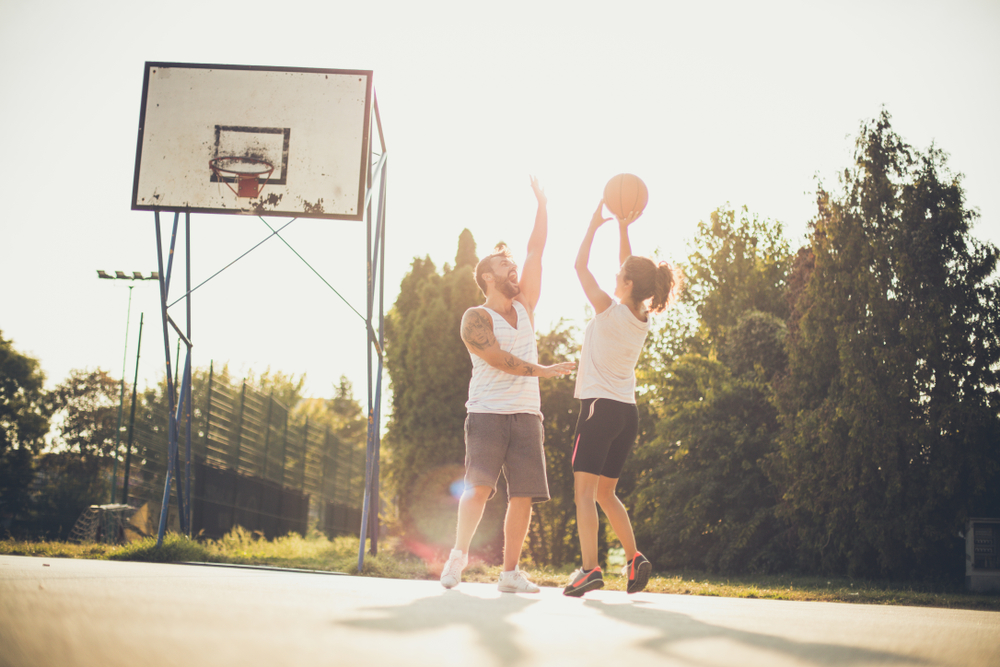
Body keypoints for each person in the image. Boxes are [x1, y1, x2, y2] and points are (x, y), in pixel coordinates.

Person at [440, 176, 575, 593]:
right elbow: (499, 359)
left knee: (525, 495)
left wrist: (543, 205)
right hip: (486, 413)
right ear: (485, 276)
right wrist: (546, 371)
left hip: (526, 415)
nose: (512, 268)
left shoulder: (526, 305)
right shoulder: (474, 318)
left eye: (512, 265)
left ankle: (509, 574)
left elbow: (537, 250)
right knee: (479, 488)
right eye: (504, 265)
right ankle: (458, 557)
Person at [562, 200, 681, 597]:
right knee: (606, 493)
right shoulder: (641, 317)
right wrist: (624, 230)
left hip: (599, 410)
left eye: (619, 275)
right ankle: (633, 559)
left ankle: (589, 568)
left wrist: (595, 224)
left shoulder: (608, 311)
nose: (614, 275)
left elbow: (579, 267)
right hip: (626, 414)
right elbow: (630, 265)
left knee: (584, 494)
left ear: (628, 284)